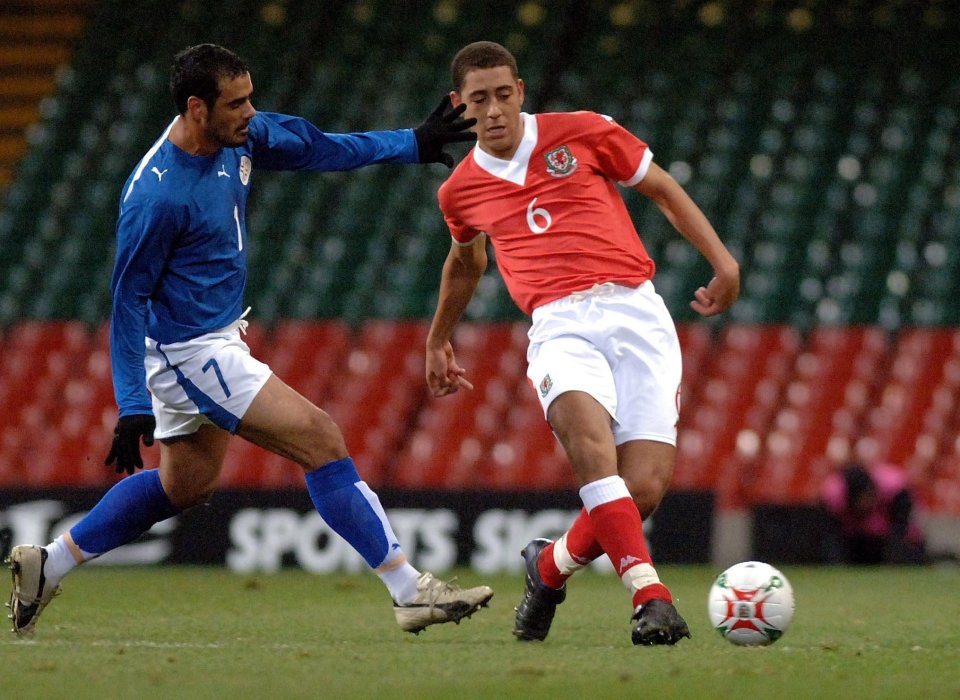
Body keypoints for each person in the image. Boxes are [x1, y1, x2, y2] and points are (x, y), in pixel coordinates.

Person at [6, 43, 493, 638]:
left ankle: (47, 564)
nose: (250, 111)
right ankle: (408, 588)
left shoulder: (239, 137)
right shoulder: (157, 197)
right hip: (191, 350)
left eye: (249, 98)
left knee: (186, 485)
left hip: (212, 336)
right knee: (321, 437)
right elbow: (128, 300)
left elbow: (316, 146)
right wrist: (132, 401)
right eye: (236, 103)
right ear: (196, 108)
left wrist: (411, 143)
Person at [424, 41, 739, 646]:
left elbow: (664, 191)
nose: (492, 110)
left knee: (642, 487)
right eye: (478, 100)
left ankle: (548, 568)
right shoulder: (459, 191)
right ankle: (651, 596)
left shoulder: (585, 132)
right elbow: (466, 263)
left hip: (637, 311)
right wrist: (438, 338)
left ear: (520, 91)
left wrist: (723, 262)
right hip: (558, 324)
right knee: (590, 445)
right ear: (459, 105)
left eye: (502, 95)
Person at [820, 462, 926, 565]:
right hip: (855, 542)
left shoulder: (893, 489)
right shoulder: (834, 497)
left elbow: (901, 528)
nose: (867, 504)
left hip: (888, 539)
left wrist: (893, 561)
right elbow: (831, 537)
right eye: (862, 501)